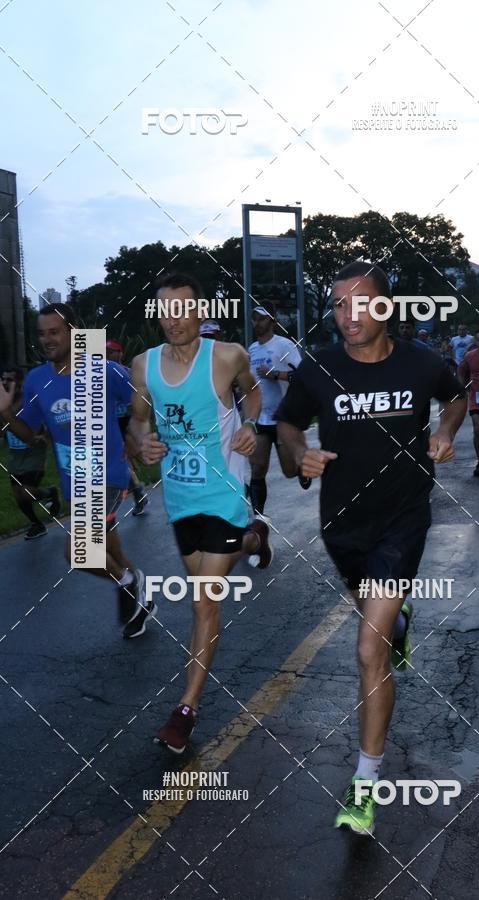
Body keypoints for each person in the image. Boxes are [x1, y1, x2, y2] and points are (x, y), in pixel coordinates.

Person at [276, 261, 467, 835]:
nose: (346, 315)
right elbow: (286, 428)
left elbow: (456, 396)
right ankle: (398, 618)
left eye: (359, 304)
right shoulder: (320, 368)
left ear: (385, 308)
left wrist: (445, 430)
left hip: (402, 519)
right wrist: (298, 458)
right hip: (342, 524)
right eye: (337, 305)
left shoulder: (421, 361)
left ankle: (364, 785)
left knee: (366, 650)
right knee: (379, 624)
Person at [129, 273, 273, 754]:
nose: (173, 318)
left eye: (182, 308)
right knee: (210, 577)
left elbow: (253, 393)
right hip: (181, 500)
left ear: (199, 311)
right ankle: (254, 537)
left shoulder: (228, 355)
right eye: (164, 309)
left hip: (224, 492)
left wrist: (250, 424)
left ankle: (186, 709)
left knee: (203, 602)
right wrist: (142, 445)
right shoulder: (143, 366)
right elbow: (138, 422)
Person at [0, 304, 153, 639]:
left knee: (79, 552)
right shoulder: (39, 378)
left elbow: (143, 399)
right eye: (42, 333)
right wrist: (5, 411)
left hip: (109, 475)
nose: (47, 340)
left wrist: (135, 434)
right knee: (110, 551)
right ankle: (140, 594)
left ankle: (128, 584)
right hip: (75, 483)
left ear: (73, 332)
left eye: (54, 332)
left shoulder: (106, 371)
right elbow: (30, 434)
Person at [247, 301, 302, 516]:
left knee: (288, 471)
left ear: (272, 320)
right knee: (258, 468)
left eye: (261, 318)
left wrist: (275, 374)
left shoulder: (284, 345)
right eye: (254, 318)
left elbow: (303, 375)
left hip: (283, 418)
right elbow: (251, 383)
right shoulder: (251, 349)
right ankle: (259, 520)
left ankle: (301, 468)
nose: (257, 323)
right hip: (261, 418)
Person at [2, 366, 60, 539]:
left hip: (34, 452)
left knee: (26, 491)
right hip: (15, 454)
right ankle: (37, 524)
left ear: (20, 382)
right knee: (19, 496)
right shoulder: (3, 403)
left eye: (10, 379)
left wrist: (45, 436)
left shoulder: (31, 400)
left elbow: (51, 417)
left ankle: (50, 492)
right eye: (3, 379)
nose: (5, 382)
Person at [106, 339, 149, 517]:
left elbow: (140, 399)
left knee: (122, 459)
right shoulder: (104, 372)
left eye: (112, 352)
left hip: (127, 420)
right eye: (106, 352)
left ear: (120, 353)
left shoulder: (129, 372)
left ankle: (138, 492)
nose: (108, 355)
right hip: (112, 420)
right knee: (121, 459)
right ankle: (138, 493)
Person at [458, 328, 479, 476]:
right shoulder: (469, 356)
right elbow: (461, 372)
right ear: (475, 341)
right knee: (478, 428)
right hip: (476, 399)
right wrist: (462, 388)